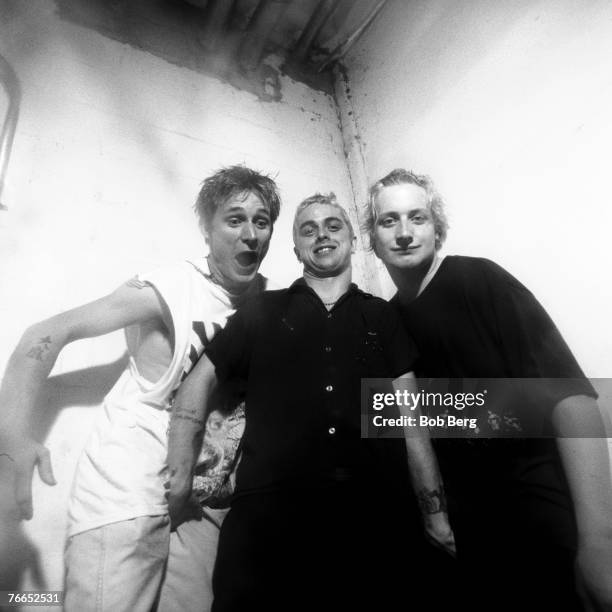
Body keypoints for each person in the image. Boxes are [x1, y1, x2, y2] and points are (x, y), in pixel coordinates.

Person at [0, 165, 281, 611]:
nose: (250, 234)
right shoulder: (170, 286)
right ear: (207, 229)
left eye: (261, 222)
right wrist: (13, 435)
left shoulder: (267, 305)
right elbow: (45, 334)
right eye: (234, 219)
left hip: (201, 505)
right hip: (128, 494)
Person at [167, 193, 455, 612]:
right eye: (308, 228)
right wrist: (179, 472)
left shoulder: (382, 317)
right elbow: (198, 382)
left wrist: (435, 513)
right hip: (270, 529)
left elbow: (411, 423)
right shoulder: (262, 311)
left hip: (376, 522)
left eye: (333, 225)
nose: (322, 234)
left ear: (353, 239)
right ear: (297, 248)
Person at [366, 168, 612, 612]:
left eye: (417, 217)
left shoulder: (480, 281)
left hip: (541, 523)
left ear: (436, 227)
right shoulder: (387, 322)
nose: (404, 233)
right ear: (373, 236)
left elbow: (571, 400)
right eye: (389, 221)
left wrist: (599, 540)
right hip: (466, 544)